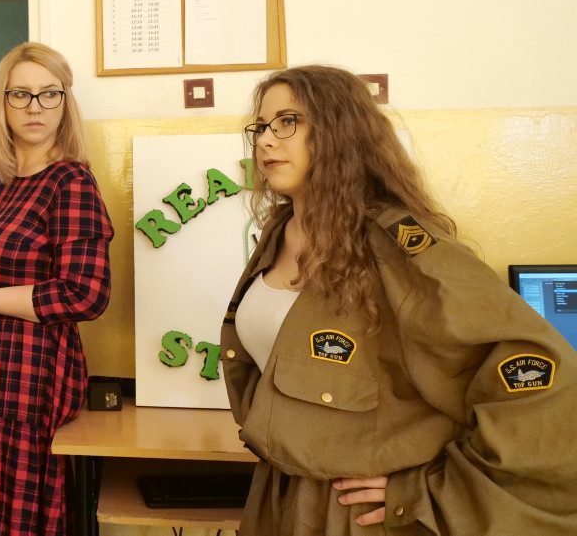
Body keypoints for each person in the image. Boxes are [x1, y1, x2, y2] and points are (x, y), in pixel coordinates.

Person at [221, 65, 577, 535]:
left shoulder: (395, 245)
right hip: (279, 493)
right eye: (262, 126)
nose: (266, 140)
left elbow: (542, 383)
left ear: (339, 131)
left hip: (354, 513)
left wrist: (434, 493)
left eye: (288, 121)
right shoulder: (278, 232)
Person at [0, 42, 113, 535]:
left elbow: (85, 293)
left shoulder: (70, 182)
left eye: (49, 94)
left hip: (29, 375)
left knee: (13, 517)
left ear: (64, 103)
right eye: (21, 94)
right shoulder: (3, 180)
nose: (35, 107)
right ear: (2, 103)